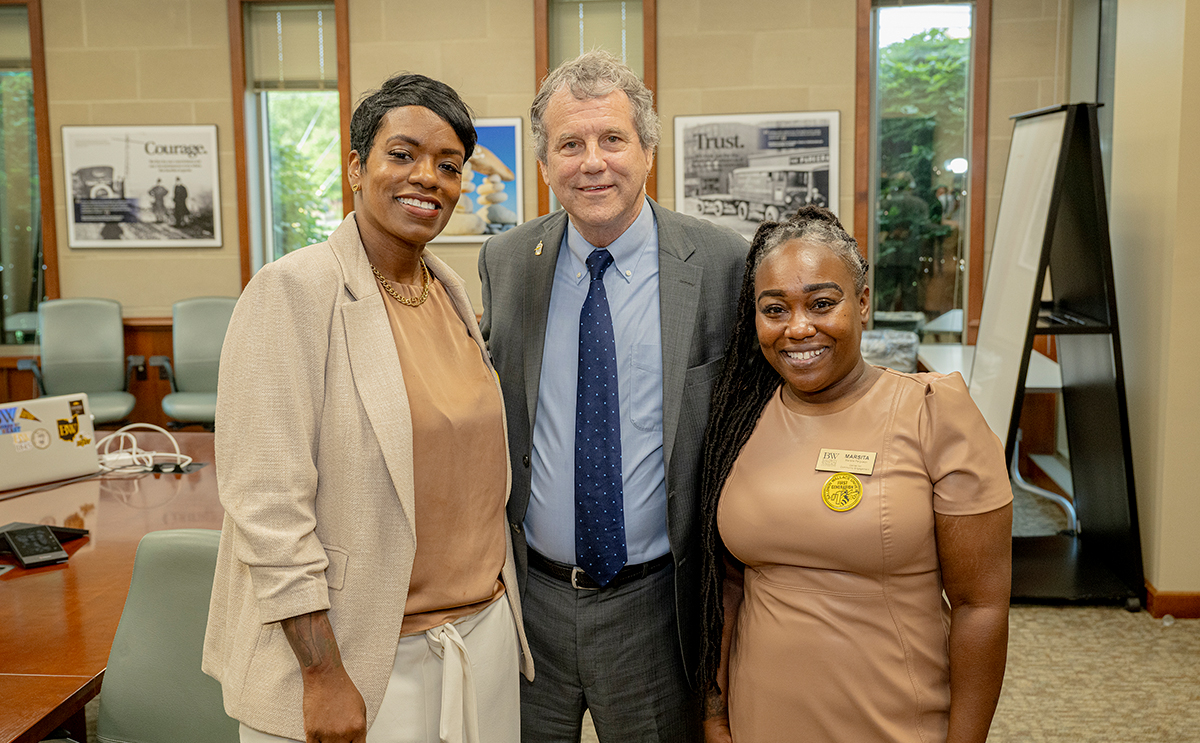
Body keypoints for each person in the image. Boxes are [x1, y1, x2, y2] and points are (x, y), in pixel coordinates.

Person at [203, 72, 533, 743]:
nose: (427, 178)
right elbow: (266, 506)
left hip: (480, 636)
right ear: (357, 166)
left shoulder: (446, 292)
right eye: (403, 154)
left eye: (449, 165)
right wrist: (324, 673)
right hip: (359, 657)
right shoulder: (293, 292)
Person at [478, 51, 747, 742]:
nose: (591, 162)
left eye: (611, 139)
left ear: (648, 150)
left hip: (654, 605)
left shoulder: (720, 263)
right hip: (528, 602)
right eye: (570, 144)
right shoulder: (506, 263)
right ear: (543, 165)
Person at [697, 206, 1012, 743]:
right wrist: (716, 709)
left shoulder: (934, 412)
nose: (798, 328)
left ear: (862, 303)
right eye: (775, 309)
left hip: (893, 717)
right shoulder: (739, 421)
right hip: (763, 714)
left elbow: (980, 606)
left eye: (822, 304)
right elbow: (727, 586)